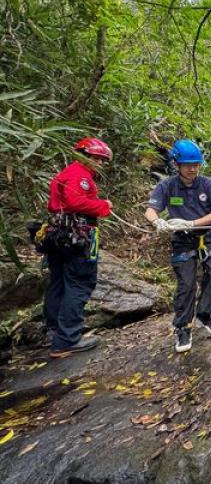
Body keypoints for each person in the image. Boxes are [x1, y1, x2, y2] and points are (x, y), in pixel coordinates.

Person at [144, 139, 211, 353]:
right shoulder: (167, 186)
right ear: (176, 165)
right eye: (188, 164)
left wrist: (193, 223)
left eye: (196, 164)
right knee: (186, 284)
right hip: (182, 240)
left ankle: (205, 314)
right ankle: (182, 327)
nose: (193, 168)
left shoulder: (209, 185)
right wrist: (157, 221)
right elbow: (150, 210)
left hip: (208, 236)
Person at [44, 137, 113, 357]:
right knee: (80, 282)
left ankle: (54, 331)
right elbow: (75, 203)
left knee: (59, 281)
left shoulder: (65, 173)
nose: (99, 164)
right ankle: (67, 338)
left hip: (58, 233)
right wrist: (103, 206)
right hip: (78, 234)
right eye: (96, 159)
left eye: (102, 161)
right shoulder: (79, 176)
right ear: (84, 155)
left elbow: (56, 204)